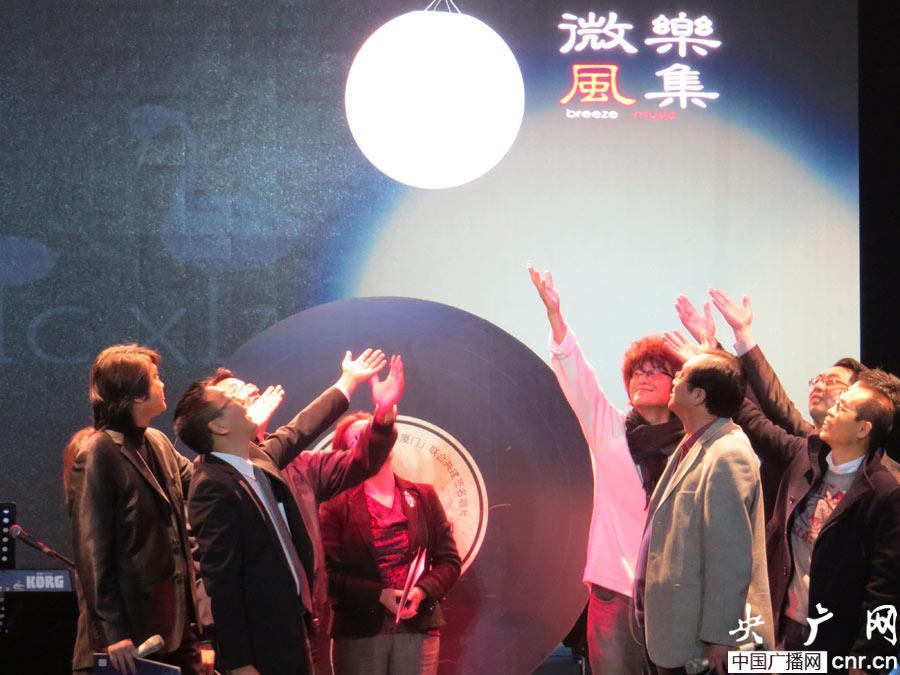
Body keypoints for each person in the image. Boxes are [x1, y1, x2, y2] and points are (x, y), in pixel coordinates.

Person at [176, 349, 402, 675]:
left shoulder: (258, 459)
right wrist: (238, 662)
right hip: (261, 641)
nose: (243, 399)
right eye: (230, 398)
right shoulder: (212, 485)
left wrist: (349, 380)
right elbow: (222, 583)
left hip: (295, 626)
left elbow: (301, 428)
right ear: (218, 426)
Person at [527, 266, 683, 674]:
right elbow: (577, 374)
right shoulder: (609, 429)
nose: (642, 378)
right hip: (615, 589)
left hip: (676, 593)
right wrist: (555, 316)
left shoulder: (693, 445)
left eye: (655, 370)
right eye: (636, 372)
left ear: (678, 383)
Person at [68, 344, 205, 674]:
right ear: (135, 394)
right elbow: (91, 551)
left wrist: (240, 441)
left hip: (172, 629)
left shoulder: (157, 441)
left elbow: (202, 484)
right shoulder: (98, 452)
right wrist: (113, 632)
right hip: (130, 641)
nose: (163, 384)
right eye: (155, 377)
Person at [635, 349, 773, 675]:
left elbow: (730, 557)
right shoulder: (695, 443)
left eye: (681, 375)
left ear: (699, 395)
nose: (674, 380)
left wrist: (720, 638)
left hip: (704, 645)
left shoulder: (727, 453)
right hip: (680, 630)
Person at [675, 290, 867, 518]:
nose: (818, 386)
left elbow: (773, 405)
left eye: (832, 381)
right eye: (817, 380)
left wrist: (718, 356)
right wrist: (715, 352)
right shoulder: (801, 444)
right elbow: (758, 404)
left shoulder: (870, 472)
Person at [319, 412, 461, 675]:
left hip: (418, 628)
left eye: (376, 431)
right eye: (360, 437)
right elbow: (327, 575)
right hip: (359, 632)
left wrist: (421, 591)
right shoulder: (335, 504)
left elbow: (449, 561)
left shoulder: (424, 495)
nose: (375, 439)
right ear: (346, 454)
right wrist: (379, 595)